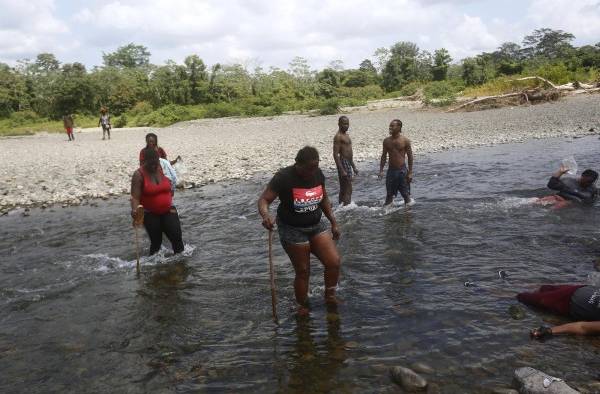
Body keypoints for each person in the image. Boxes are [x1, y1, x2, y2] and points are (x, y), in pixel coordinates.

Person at [258, 146, 341, 315]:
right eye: (308, 169)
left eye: (315, 167)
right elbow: (264, 199)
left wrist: (333, 222)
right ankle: (302, 304)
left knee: (333, 262)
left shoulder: (318, 174)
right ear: (298, 164)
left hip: (316, 224)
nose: (312, 172)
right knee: (303, 271)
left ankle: (330, 296)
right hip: (292, 228)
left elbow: (323, 198)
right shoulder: (283, 177)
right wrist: (266, 216)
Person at [130, 147, 184, 255]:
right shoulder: (138, 175)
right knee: (156, 242)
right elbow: (135, 197)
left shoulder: (162, 168)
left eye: (156, 162)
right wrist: (136, 212)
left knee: (177, 238)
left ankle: (181, 266)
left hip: (169, 210)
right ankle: (154, 267)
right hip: (150, 213)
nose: (154, 166)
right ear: (144, 162)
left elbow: (172, 181)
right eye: (151, 164)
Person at [518, 284, 600, 338]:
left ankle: (509, 292)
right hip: (582, 289)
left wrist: (550, 331)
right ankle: (517, 284)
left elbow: (582, 327)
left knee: (524, 298)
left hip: (567, 302)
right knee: (544, 288)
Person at [378, 119, 413, 206]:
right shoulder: (386, 141)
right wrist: (381, 170)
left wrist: (410, 173)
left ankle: (408, 216)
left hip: (402, 171)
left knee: (406, 195)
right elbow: (383, 156)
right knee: (389, 195)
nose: (390, 128)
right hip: (391, 171)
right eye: (390, 126)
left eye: (392, 126)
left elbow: (410, 156)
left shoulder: (405, 140)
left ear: (399, 127)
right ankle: (387, 216)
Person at [333, 116, 358, 205]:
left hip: (348, 162)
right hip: (343, 162)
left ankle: (341, 206)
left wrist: (354, 167)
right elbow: (335, 154)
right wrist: (342, 170)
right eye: (344, 124)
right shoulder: (338, 137)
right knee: (348, 188)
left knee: (344, 187)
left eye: (347, 124)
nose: (346, 126)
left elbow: (349, 154)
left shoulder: (346, 136)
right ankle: (347, 208)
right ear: (339, 124)